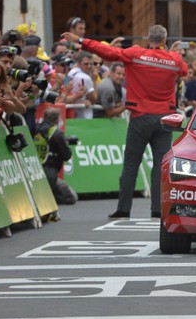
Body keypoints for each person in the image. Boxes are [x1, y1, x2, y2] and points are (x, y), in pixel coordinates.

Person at [62, 25, 189, 219]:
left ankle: (124, 209)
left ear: (148, 38)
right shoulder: (175, 59)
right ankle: (158, 210)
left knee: (131, 164)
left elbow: (108, 52)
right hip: (164, 119)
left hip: (139, 117)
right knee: (160, 166)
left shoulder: (136, 54)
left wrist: (81, 41)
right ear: (165, 40)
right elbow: (185, 71)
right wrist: (170, 54)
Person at [33, 106, 78, 204]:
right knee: (72, 197)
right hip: (49, 172)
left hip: (34, 169)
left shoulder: (35, 129)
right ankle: (50, 200)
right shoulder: (56, 132)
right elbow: (67, 155)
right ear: (56, 119)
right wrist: (65, 143)